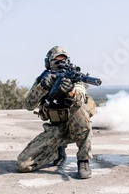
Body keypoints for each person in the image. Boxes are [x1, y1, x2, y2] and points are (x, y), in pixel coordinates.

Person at [16, 46, 96, 179]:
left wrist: (71, 91)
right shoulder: (44, 79)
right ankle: (57, 152)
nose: (60, 64)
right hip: (55, 130)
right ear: (48, 63)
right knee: (23, 165)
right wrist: (42, 87)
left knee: (81, 109)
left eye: (63, 60)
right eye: (56, 60)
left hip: (75, 128)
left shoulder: (74, 77)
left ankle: (83, 160)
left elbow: (81, 96)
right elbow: (28, 105)